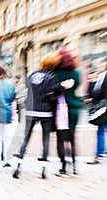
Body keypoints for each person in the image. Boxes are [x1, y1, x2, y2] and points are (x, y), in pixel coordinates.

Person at [12, 51, 74, 179]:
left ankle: (18, 167)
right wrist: (63, 87)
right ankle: (43, 170)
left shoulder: (32, 75)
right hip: (45, 112)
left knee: (26, 139)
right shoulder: (51, 77)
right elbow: (51, 95)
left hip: (31, 110)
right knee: (45, 139)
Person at [54, 47, 83, 175]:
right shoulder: (76, 73)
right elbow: (78, 85)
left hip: (60, 109)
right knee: (72, 138)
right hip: (73, 109)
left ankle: (63, 167)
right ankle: (74, 166)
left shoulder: (55, 74)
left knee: (60, 138)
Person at [86, 58, 107, 164]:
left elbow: (96, 93)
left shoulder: (103, 75)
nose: (100, 66)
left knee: (100, 131)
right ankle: (101, 153)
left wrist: (93, 83)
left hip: (104, 108)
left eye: (102, 64)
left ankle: (99, 154)